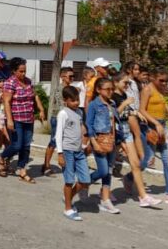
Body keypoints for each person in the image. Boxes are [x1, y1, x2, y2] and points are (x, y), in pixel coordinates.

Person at [113, 72, 162, 208]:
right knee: (106, 166)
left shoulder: (123, 95)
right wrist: (126, 104)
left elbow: (126, 113)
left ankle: (143, 197)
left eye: (128, 83)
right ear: (116, 83)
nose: (127, 85)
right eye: (125, 82)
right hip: (117, 134)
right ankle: (94, 189)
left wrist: (136, 112)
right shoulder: (112, 96)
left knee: (135, 165)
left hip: (126, 134)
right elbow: (113, 114)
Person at [138, 68, 168, 207]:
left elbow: (162, 102)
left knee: (167, 159)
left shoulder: (161, 90)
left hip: (162, 125)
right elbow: (142, 110)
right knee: (148, 159)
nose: (164, 83)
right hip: (151, 126)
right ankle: (130, 177)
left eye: (166, 81)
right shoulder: (147, 90)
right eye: (161, 80)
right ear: (153, 78)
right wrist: (155, 123)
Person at [0, 57, 45, 182]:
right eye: (20, 71)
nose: (23, 74)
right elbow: (7, 102)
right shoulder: (10, 83)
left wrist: (41, 109)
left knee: (26, 146)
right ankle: (2, 157)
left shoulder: (28, 81)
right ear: (14, 71)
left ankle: (22, 169)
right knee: (17, 145)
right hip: (16, 119)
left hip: (28, 118)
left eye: (25, 71)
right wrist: (9, 120)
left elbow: (35, 96)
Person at [85, 78, 122, 214]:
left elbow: (115, 124)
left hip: (111, 141)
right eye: (107, 89)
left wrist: (119, 142)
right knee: (103, 171)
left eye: (112, 89)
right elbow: (89, 124)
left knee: (109, 172)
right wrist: (94, 142)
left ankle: (106, 200)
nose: (111, 91)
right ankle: (83, 183)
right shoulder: (94, 105)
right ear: (98, 90)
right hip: (99, 140)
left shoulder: (112, 104)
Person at [56, 86, 90, 221]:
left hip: (79, 151)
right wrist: (60, 153)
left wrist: (84, 145)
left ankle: (68, 196)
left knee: (85, 180)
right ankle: (68, 209)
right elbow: (58, 135)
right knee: (69, 181)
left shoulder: (79, 113)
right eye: (73, 100)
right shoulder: (63, 114)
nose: (76, 103)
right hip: (67, 151)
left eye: (77, 100)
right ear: (65, 101)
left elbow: (80, 130)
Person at [42, 66, 74, 176]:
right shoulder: (60, 90)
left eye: (73, 76)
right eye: (70, 76)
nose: (72, 78)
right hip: (57, 118)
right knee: (54, 142)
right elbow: (63, 106)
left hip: (67, 119)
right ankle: (46, 166)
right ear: (62, 77)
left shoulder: (70, 89)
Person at [122, 61, 145, 161]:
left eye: (138, 69)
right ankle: (143, 158)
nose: (137, 71)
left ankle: (127, 154)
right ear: (128, 70)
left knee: (130, 135)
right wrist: (133, 110)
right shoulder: (126, 82)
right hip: (129, 111)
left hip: (136, 111)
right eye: (135, 69)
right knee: (137, 134)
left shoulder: (135, 82)